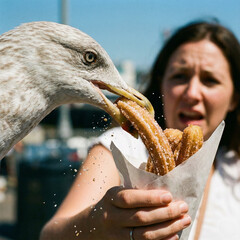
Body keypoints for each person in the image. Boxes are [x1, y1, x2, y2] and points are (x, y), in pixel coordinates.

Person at [40, 20, 240, 240]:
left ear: (234, 98)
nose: (192, 93)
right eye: (179, 76)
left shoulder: (234, 170)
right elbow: (50, 235)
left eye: (210, 80)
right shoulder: (121, 147)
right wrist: (98, 223)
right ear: (161, 83)